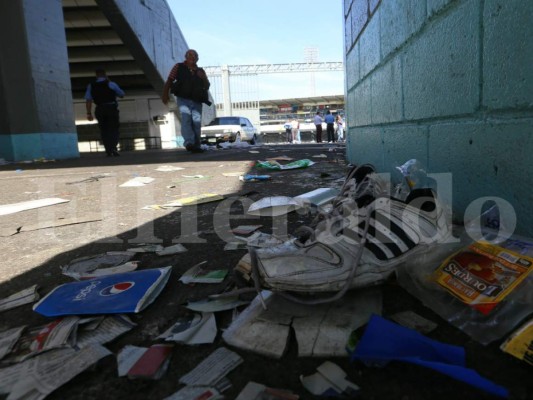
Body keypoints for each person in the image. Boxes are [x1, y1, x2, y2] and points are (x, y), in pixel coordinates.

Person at [162, 49, 210, 153]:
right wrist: (165, 94)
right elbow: (170, 80)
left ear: (197, 59)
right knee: (186, 118)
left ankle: (196, 145)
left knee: (196, 122)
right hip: (183, 99)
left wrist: (204, 78)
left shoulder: (200, 71)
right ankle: (189, 143)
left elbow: (207, 86)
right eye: (190, 55)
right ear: (186, 57)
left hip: (197, 100)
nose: (192, 57)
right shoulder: (178, 67)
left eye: (194, 56)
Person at [85, 69, 125, 157]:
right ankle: (113, 147)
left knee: (104, 130)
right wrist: (109, 81)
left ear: (96, 75)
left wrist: (88, 113)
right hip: (111, 108)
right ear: (105, 75)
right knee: (114, 129)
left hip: (100, 109)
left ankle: (108, 150)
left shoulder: (91, 86)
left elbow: (88, 100)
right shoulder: (111, 84)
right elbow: (122, 94)